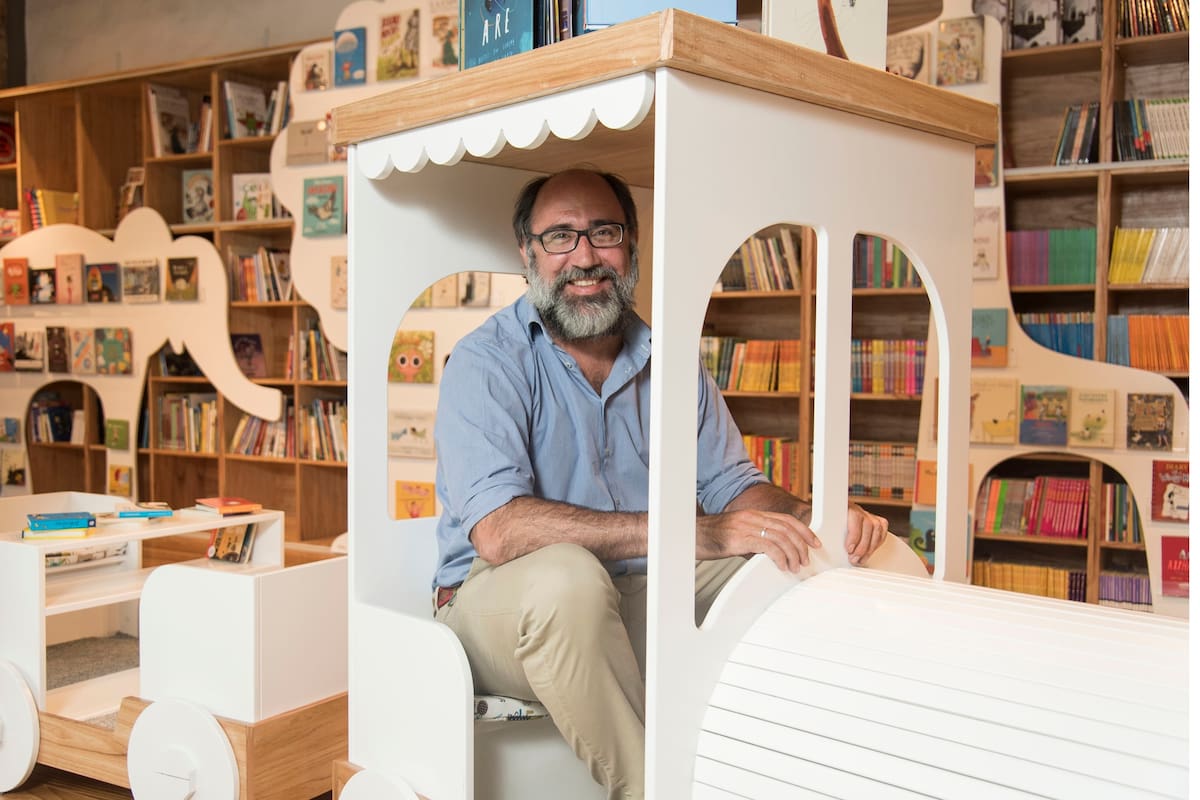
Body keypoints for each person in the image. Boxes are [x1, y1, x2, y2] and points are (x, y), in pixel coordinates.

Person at [432, 168, 890, 799]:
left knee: (798, 557)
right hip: (490, 607)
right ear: (528, 255)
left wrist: (818, 517)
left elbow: (735, 486)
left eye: (604, 232)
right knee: (569, 578)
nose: (585, 257)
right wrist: (686, 534)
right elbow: (500, 532)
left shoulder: (671, 360)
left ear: (633, 246)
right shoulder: (487, 362)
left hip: (630, 588)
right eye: (560, 237)